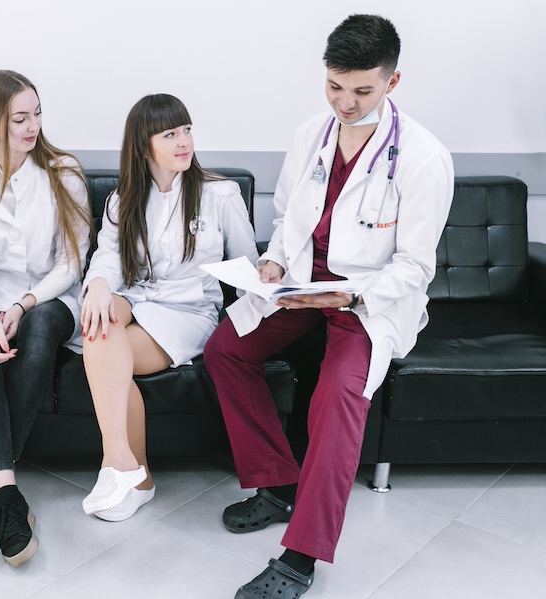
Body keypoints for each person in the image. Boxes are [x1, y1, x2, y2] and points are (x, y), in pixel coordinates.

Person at [203, 15, 453, 599]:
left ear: (392, 82)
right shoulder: (311, 133)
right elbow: (290, 214)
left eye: (362, 90)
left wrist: (354, 293)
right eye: (335, 86)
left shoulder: (422, 158)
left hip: (367, 301)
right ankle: (277, 482)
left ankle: (301, 555)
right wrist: (270, 263)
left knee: (341, 395)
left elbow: (416, 267)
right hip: (299, 286)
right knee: (225, 350)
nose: (344, 102)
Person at [80, 94, 258, 522]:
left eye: (187, 130)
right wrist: (100, 285)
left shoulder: (219, 194)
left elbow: (250, 267)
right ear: (144, 145)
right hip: (140, 299)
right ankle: (126, 466)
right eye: (171, 133)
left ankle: (127, 473)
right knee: (99, 323)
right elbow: (106, 257)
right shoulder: (123, 201)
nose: (184, 142)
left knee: (105, 346)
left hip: (190, 312)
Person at [0, 70, 92, 567]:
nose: (32, 127)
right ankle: (8, 494)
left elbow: (71, 262)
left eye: (36, 114)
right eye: (19, 118)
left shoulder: (63, 171)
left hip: (48, 298)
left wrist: (21, 305)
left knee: (38, 330)